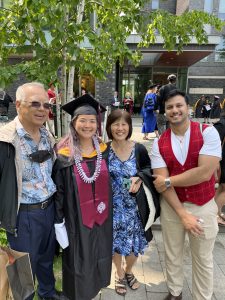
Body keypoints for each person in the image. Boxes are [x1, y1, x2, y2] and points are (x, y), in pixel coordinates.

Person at [150, 89, 221, 300]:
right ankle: (175, 292)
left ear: (188, 108)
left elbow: (205, 172)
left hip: (203, 204)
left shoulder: (208, 132)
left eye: (179, 105)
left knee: (203, 258)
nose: (175, 110)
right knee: (172, 254)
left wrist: (170, 180)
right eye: (169, 107)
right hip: (173, 207)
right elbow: (160, 184)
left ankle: (202, 297)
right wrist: (182, 214)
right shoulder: (158, 142)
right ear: (164, 111)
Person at [0, 82, 63, 300]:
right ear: (17, 105)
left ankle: (47, 293)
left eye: (46, 105)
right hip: (22, 214)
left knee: (46, 258)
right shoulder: (5, 140)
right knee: (22, 267)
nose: (42, 109)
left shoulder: (47, 135)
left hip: (49, 209)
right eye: (34, 104)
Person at [53, 94, 113, 300]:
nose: (88, 125)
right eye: (83, 120)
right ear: (74, 123)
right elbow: (59, 191)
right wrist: (58, 222)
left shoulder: (104, 150)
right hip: (76, 222)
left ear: (97, 124)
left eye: (92, 121)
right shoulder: (64, 154)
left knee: (100, 256)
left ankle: (96, 290)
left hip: (102, 220)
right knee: (78, 261)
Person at [106, 109, 160, 296]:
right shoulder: (104, 150)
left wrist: (139, 177)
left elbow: (148, 169)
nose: (120, 128)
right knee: (115, 243)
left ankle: (128, 271)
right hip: (112, 207)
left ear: (129, 126)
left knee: (134, 243)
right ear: (109, 127)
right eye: (115, 124)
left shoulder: (139, 149)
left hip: (135, 207)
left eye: (124, 124)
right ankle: (119, 273)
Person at [213, 106, 225, 226]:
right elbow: (213, 143)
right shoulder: (221, 125)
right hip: (222, 162)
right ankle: (215, 214)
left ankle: (216, 212)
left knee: (221, 188)